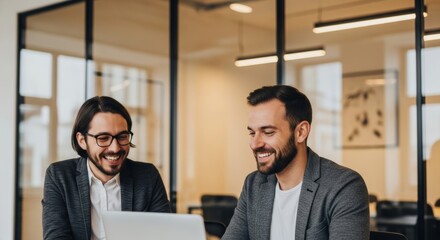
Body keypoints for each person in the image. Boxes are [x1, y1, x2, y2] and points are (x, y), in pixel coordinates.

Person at [222, 85, 369, 240]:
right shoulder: (254, 185)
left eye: (268, 132)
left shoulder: (343, 186)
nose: (255, 143)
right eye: (252, 133)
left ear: (301, 132)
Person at [42, 96, 170, 240]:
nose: (115, 148)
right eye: (103, 138)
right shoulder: (59, 176)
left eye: (122, 137)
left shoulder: (147, 176)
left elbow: (163, 234)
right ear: (82, 140)